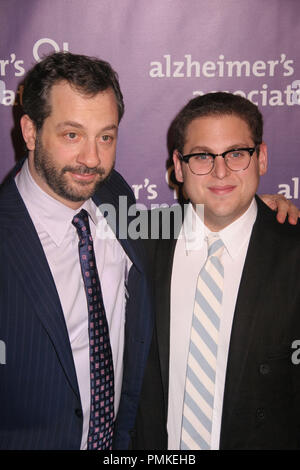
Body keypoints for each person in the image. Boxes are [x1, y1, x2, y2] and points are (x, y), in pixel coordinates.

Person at [0, 52, 153, 450]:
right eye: (72, 135)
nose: (92, 159)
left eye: (106, 136)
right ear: (30, 132)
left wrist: (250, 211)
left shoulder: (113, 192)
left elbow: (172, 234)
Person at [132, 92, 300, 450]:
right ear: (178, 167)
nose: (220, 171)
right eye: (202, 156)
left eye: (237, 154)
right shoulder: (138, 243)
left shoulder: (294, 251)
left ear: (262, 158)